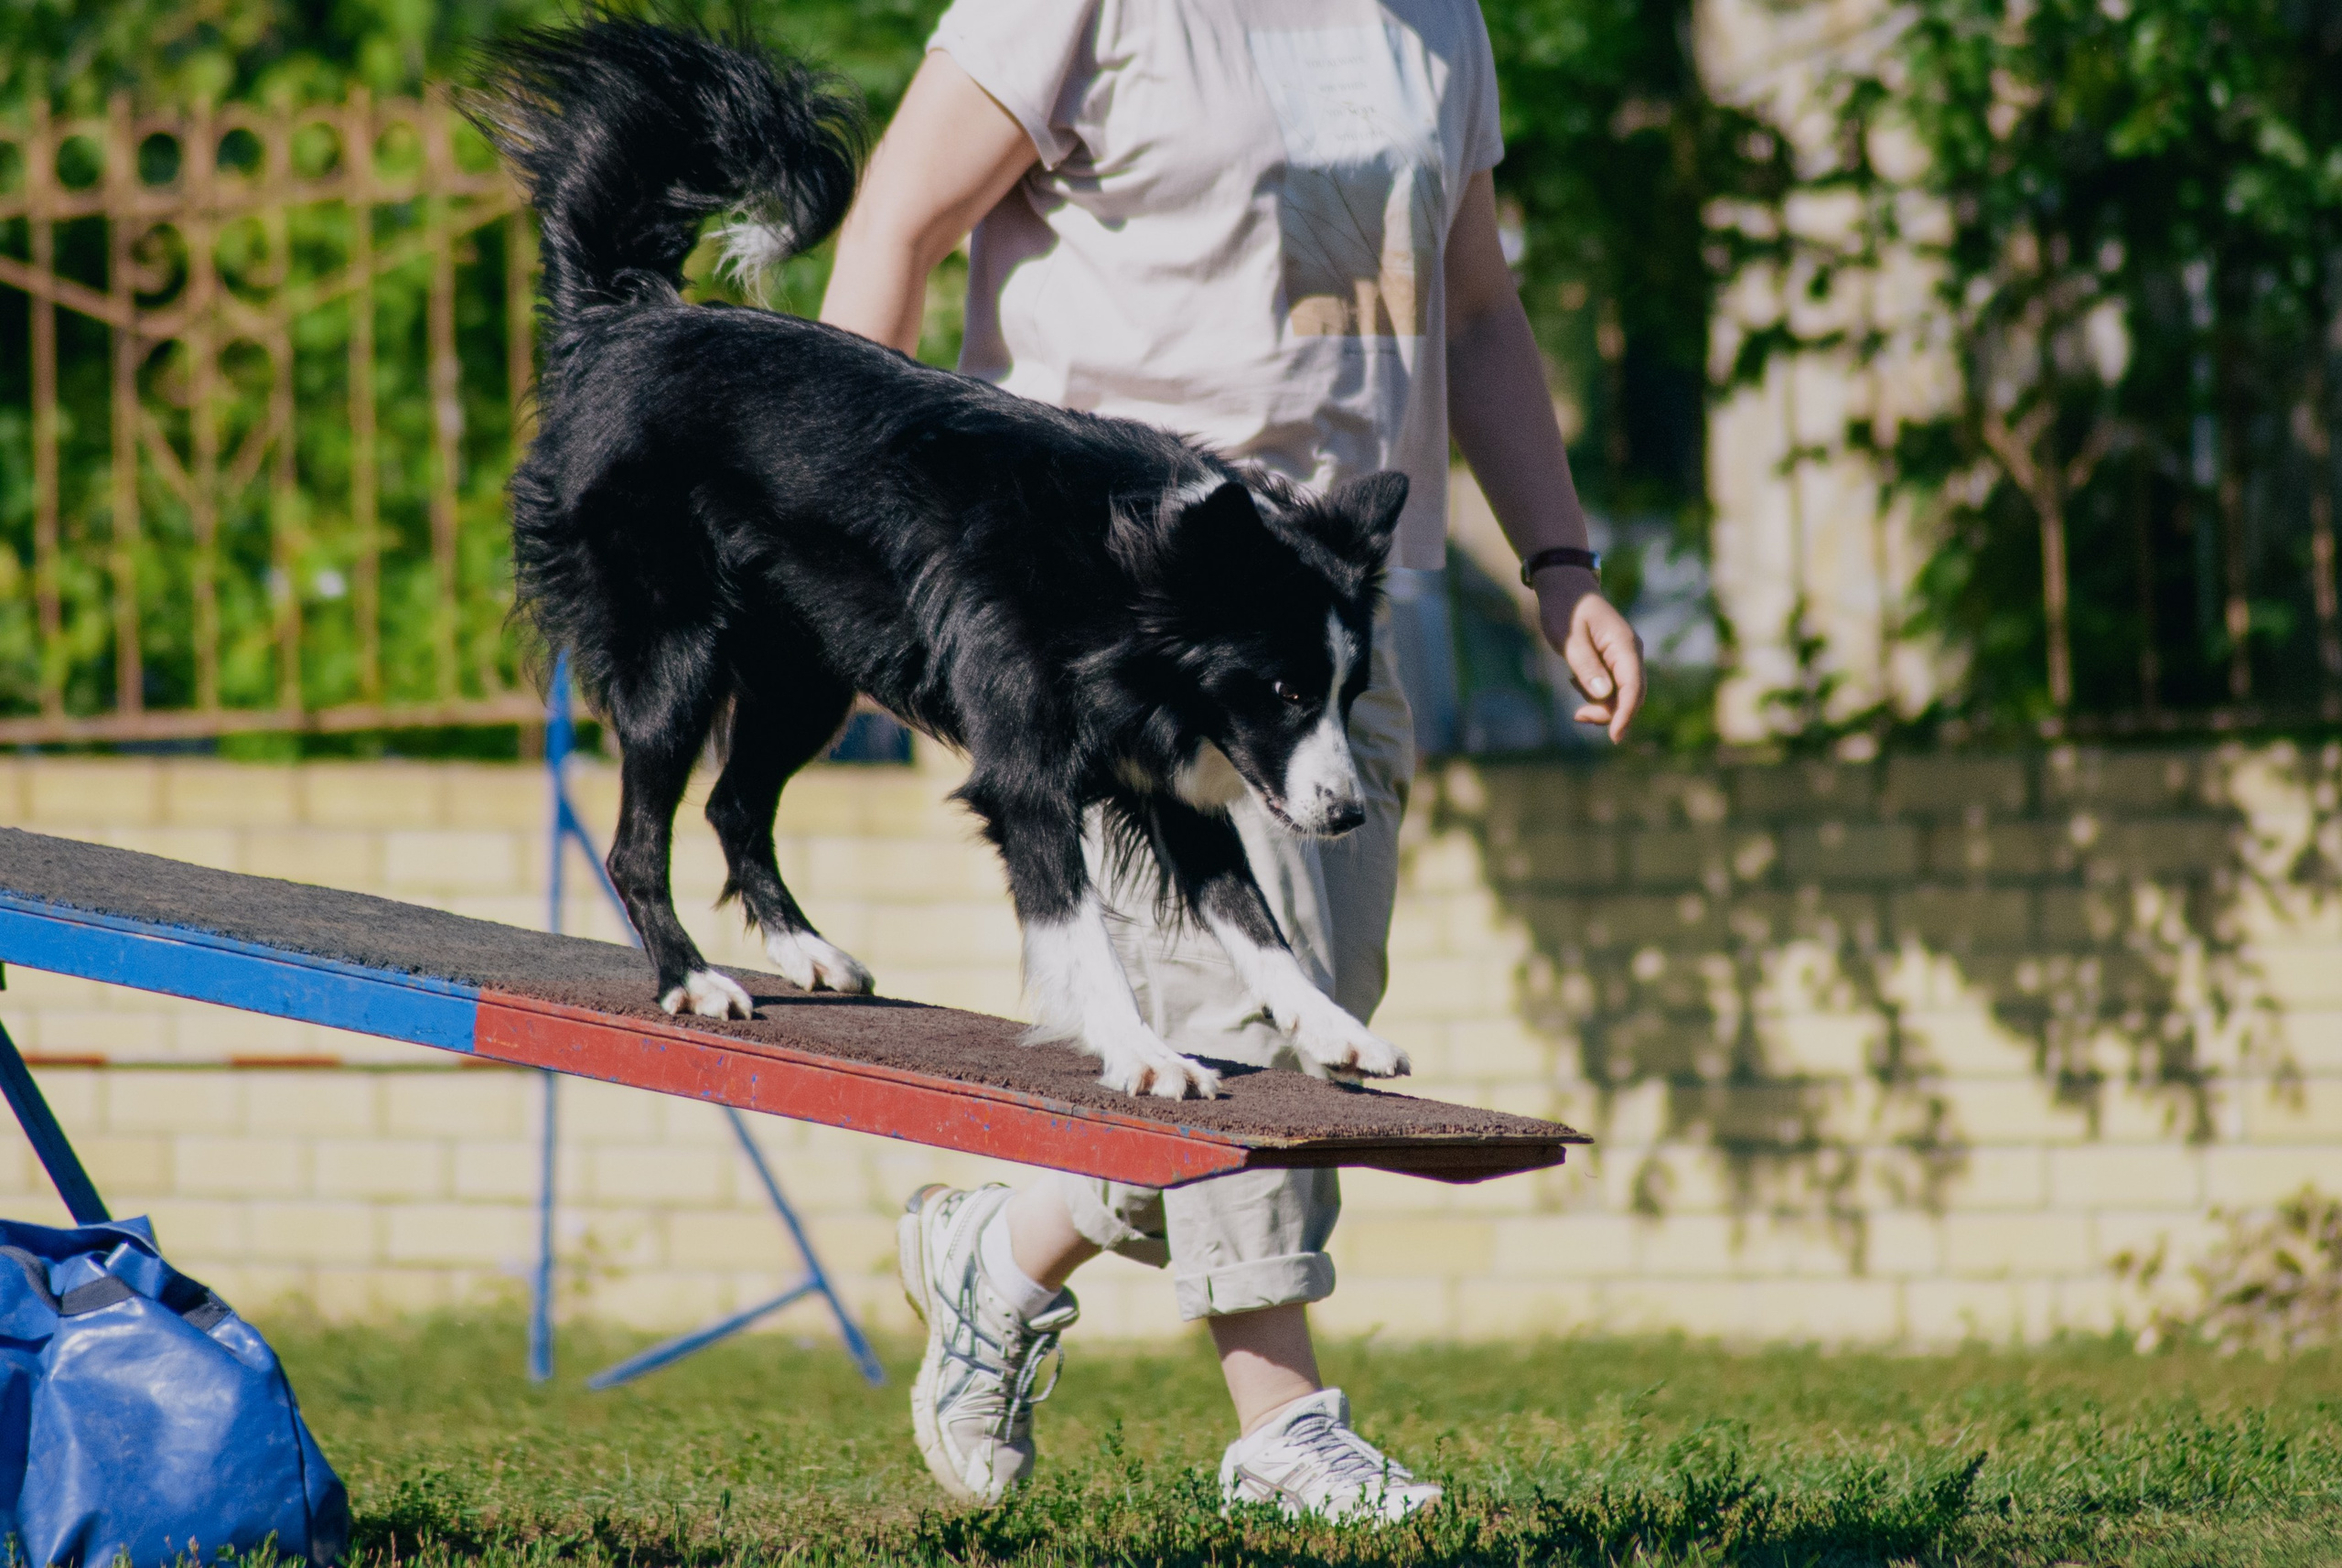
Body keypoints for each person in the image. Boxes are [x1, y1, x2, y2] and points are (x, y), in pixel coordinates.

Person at [819, 0, 1646, 1523]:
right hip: (1118, 610)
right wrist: (830, 545)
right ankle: (1284, 1422)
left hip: (1333, 608)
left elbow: (1473, 312)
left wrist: (1560, 560)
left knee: (1317, 1012)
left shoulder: (1436, 22)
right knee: (1234, 1024)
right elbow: (897, 224)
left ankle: (1002, 1249)